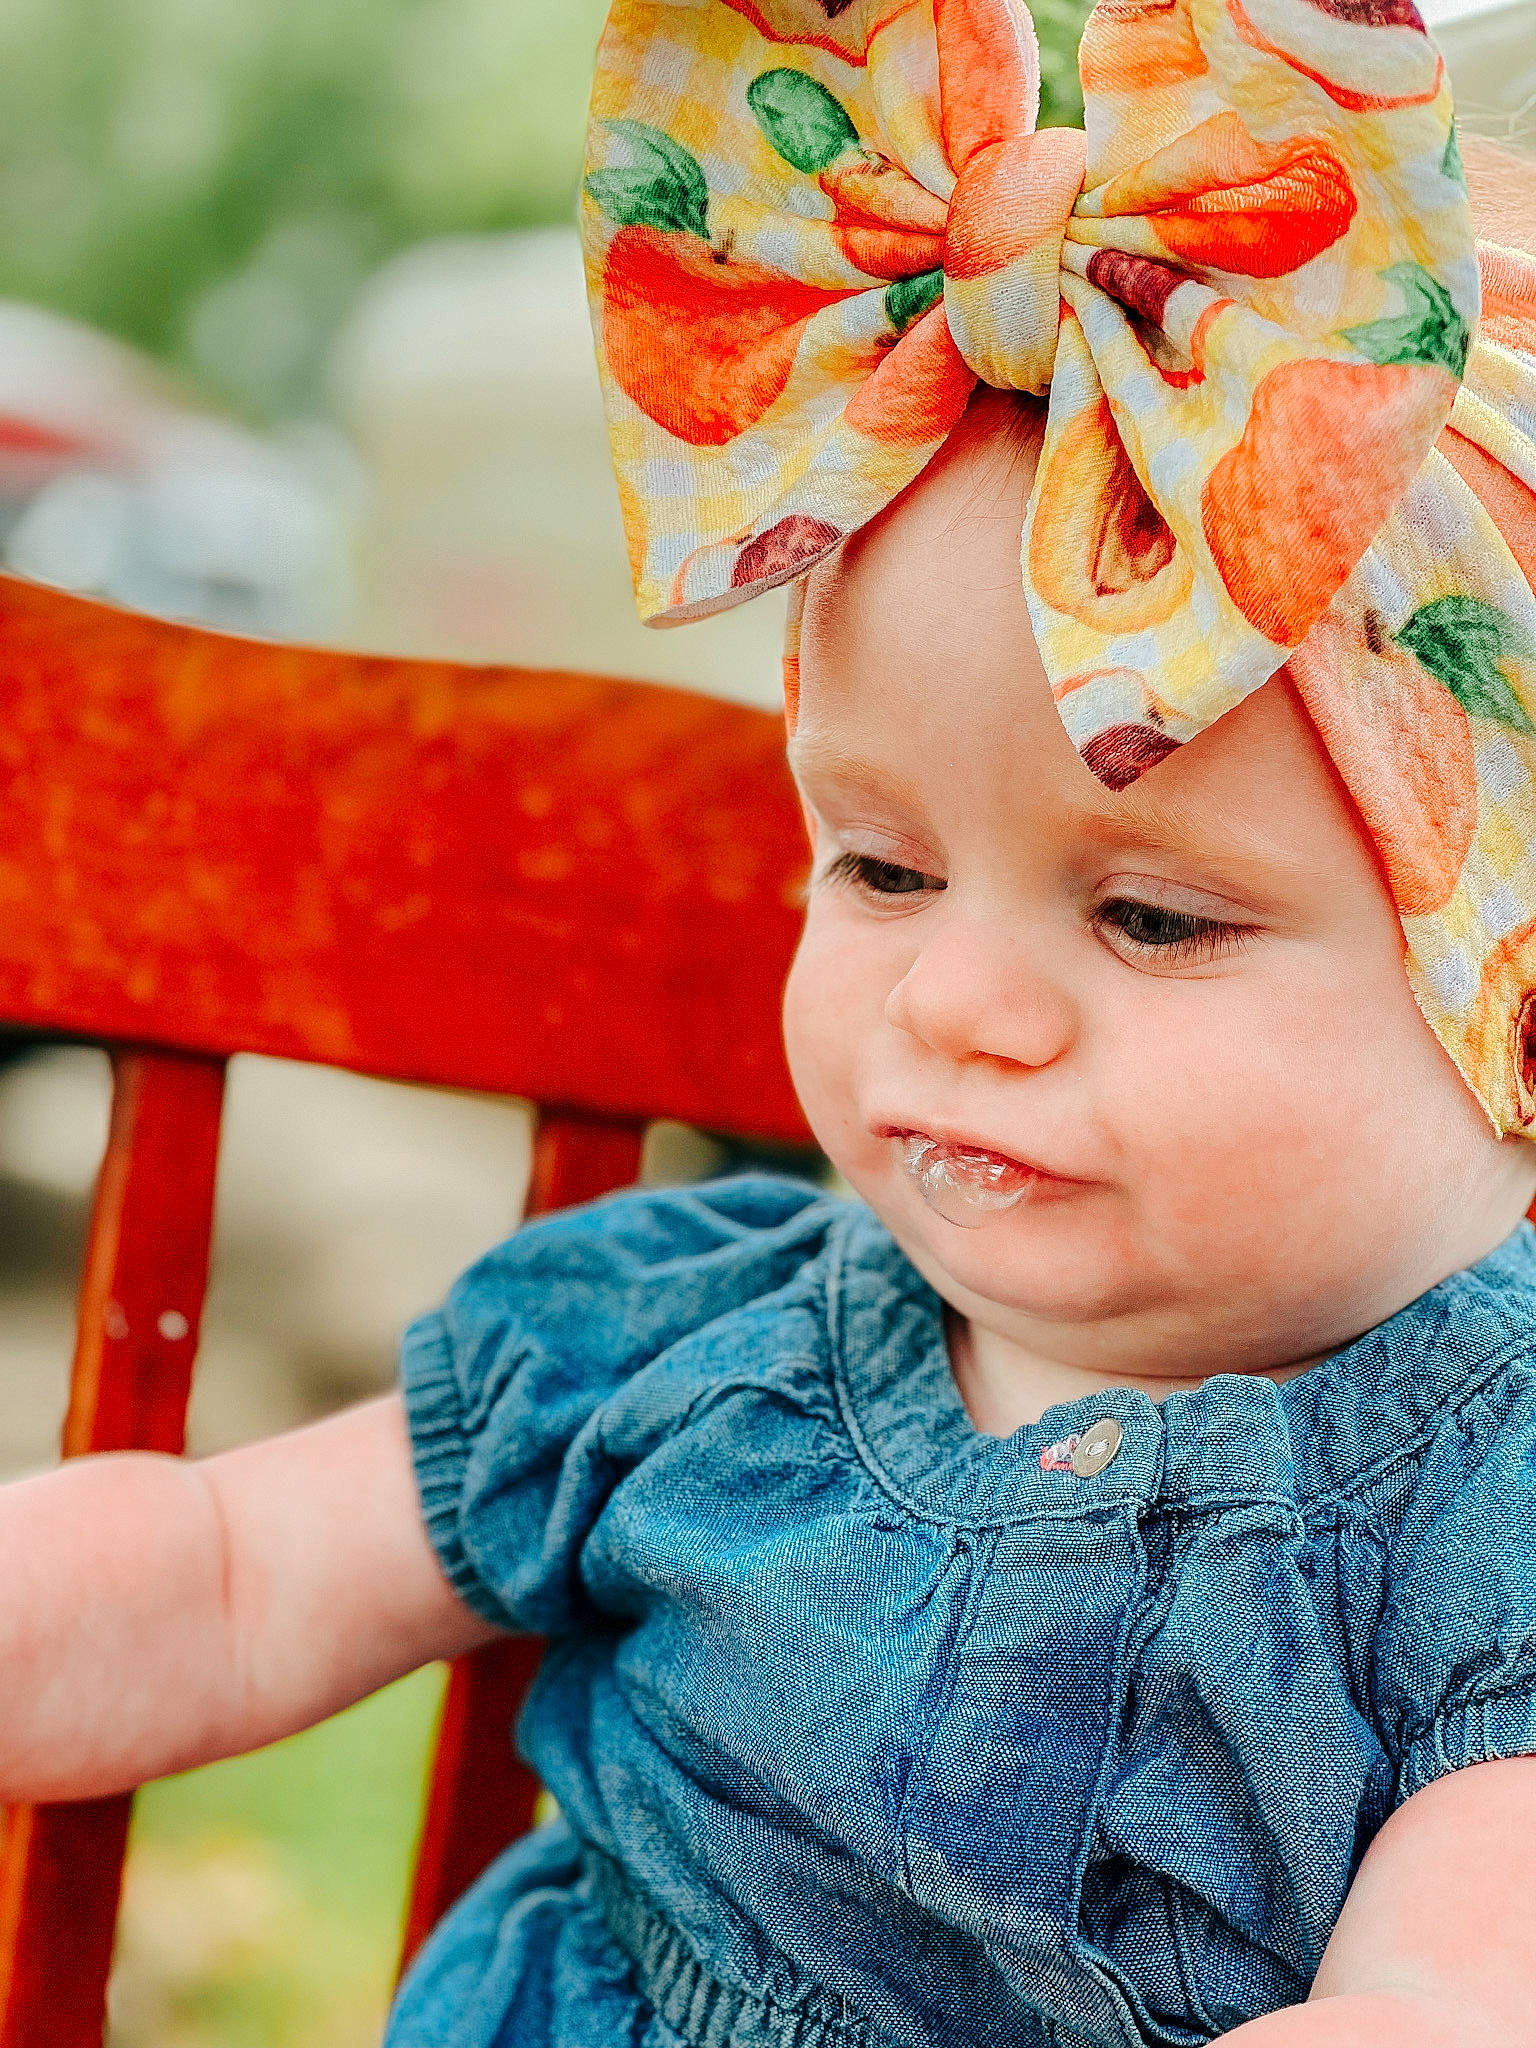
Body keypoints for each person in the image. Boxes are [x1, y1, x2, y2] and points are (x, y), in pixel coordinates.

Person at [4, 1, 1536, 2042]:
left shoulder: (1484, 1518)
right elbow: (217, 1571)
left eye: (1153, 914)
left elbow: (1446, 1990)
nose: (958, 1000)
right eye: (881, 870)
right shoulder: (689, 1332)